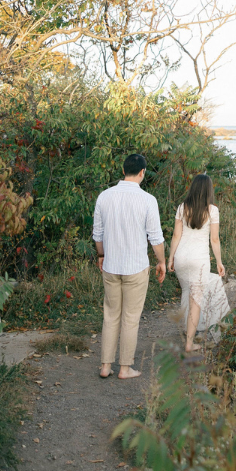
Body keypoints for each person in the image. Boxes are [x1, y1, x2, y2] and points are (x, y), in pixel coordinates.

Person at [92, 153, 166, 380]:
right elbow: (155, 238)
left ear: (124, 171)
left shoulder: (104, 197)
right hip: (136, 267)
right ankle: (125, 368)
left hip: (111, 265)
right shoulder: (147, 200)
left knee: (111, 315)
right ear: (143, 172)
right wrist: (162, 261)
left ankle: (106, 366)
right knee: (130, 318)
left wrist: (101, 255)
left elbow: (98, 233)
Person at [169, 173, 229, 352]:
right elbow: (215, 240)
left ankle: (189, 331)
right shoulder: (212, 210)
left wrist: (170, 258)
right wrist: (219, 261)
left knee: (188, 293)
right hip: (199, 259)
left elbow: (176, 235)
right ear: (208, 190)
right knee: (195, 299)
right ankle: (189, 343)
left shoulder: (182, 207)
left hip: (181, 258)